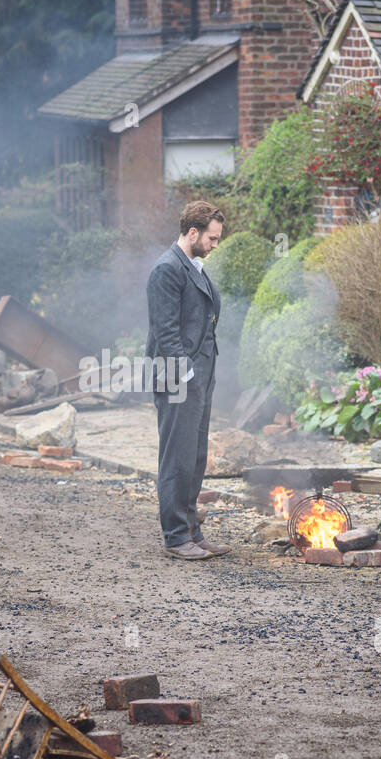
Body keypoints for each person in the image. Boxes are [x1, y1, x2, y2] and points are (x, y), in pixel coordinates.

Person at [145, 200, 230, 560]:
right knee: (177, 457)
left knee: (195, 456)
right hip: (178, 377)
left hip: (198, 379)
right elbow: (165, 330)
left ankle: (192, 532)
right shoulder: (167, 270)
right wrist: (188, 371)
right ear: (192, 232)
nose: (215, 245)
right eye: (211, 238)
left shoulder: (192, 266)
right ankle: (176, 537)